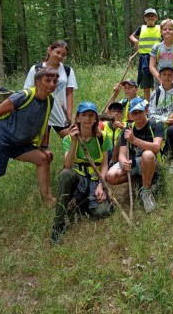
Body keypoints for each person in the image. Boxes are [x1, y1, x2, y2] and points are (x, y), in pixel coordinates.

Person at [0, 67, 59, 235]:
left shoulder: (49, 100)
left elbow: (45, 125)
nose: (51, 84)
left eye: (54, 81)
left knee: (43, 159)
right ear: (38, 82)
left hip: (18, 144)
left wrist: (44, 146)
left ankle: (48, 200)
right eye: (47, 80)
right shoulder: (24, 96)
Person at [51, 102, 112, 244]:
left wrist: (100, 185)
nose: (87, 119)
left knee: (103, 212)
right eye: (84, 115)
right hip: (78, 178)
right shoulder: (68, 138)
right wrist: (73, 142)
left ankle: (82, 204)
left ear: (96, 118)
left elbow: (104, 166)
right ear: (77, 118)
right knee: (65, 174)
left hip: (95, 179)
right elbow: (68, 165)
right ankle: (59, 223)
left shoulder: (102, 137)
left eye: (91, 115)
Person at [106, 98, 164, 213]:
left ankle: (146, 190)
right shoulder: (127, 129)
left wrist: (134, 140)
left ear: (146, 111)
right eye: (134, 113)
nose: (138, 115)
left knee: (147, 154)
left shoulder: (156, 124)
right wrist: (123, 162)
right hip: (133, 163)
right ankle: (137, 179)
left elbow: (156, 148)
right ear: (130, 115)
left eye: (140, 112)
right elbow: (122, 154)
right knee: (110, 176)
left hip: (151, 162)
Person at [24, 40, 78, 138]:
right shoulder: (36, 69)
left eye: (63, 54)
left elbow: (69, 94)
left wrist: (69, 115)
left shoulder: (67, 70)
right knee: (42, 145)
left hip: (60, 112)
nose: (60, 56)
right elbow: (28, 92)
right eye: (57, 52)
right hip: (41, 112)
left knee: (72, 139)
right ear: (49, 50)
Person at [148, 66, 173, 170]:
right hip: (159, 123)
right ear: (160, 77)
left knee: (171, 130)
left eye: (170, 74)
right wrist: (165, 119)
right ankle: (157, 156)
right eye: (164, 74)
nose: (167, 77)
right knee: (150, 125)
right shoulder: (155, 93)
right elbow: (150, 114)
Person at [129, 8, 161, 101]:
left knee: (156, 85)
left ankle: (156, 106)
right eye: (148, 16)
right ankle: (146, 107)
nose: (150, 17)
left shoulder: (160, 28)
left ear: (156, 18)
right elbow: (131, 36)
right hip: (144, 60)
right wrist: (135, 41)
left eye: (152, 16)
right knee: (146, 86)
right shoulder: (141, 28)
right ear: (145, 18)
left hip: (157, 59)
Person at [150, 18, 173, 87]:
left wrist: (172, 79)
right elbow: (151, 66)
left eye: (170, 29)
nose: (167, 31)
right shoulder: (156, 47)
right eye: (165, 29)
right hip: (159, 83)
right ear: (161, 32)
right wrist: (160, 79)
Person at [102, 102, 125, 166]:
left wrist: (122, 128)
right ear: (108, 113)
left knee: (122, 134)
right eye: (113, 111)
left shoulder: (126, 125)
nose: (116, 113)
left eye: (119, 111)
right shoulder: (102, 125)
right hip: (105, 154)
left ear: (123, 115)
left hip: (120, 153)